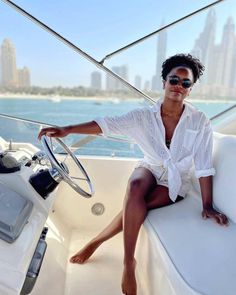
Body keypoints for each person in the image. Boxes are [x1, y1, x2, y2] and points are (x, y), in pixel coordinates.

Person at [38, 53, 229, 295]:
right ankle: (129, 262)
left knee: (139, 207)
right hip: (150, 166)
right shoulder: (142, 117)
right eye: (174, 80)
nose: (178, 86)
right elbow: (106, 124)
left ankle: (96, 242)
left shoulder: (199, 121)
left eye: (185, 83)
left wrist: (208, 205)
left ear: (190, 89)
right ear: (164, 82)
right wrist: (67, 129)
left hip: (176, 179)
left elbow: (203, 165)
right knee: (136, 186)